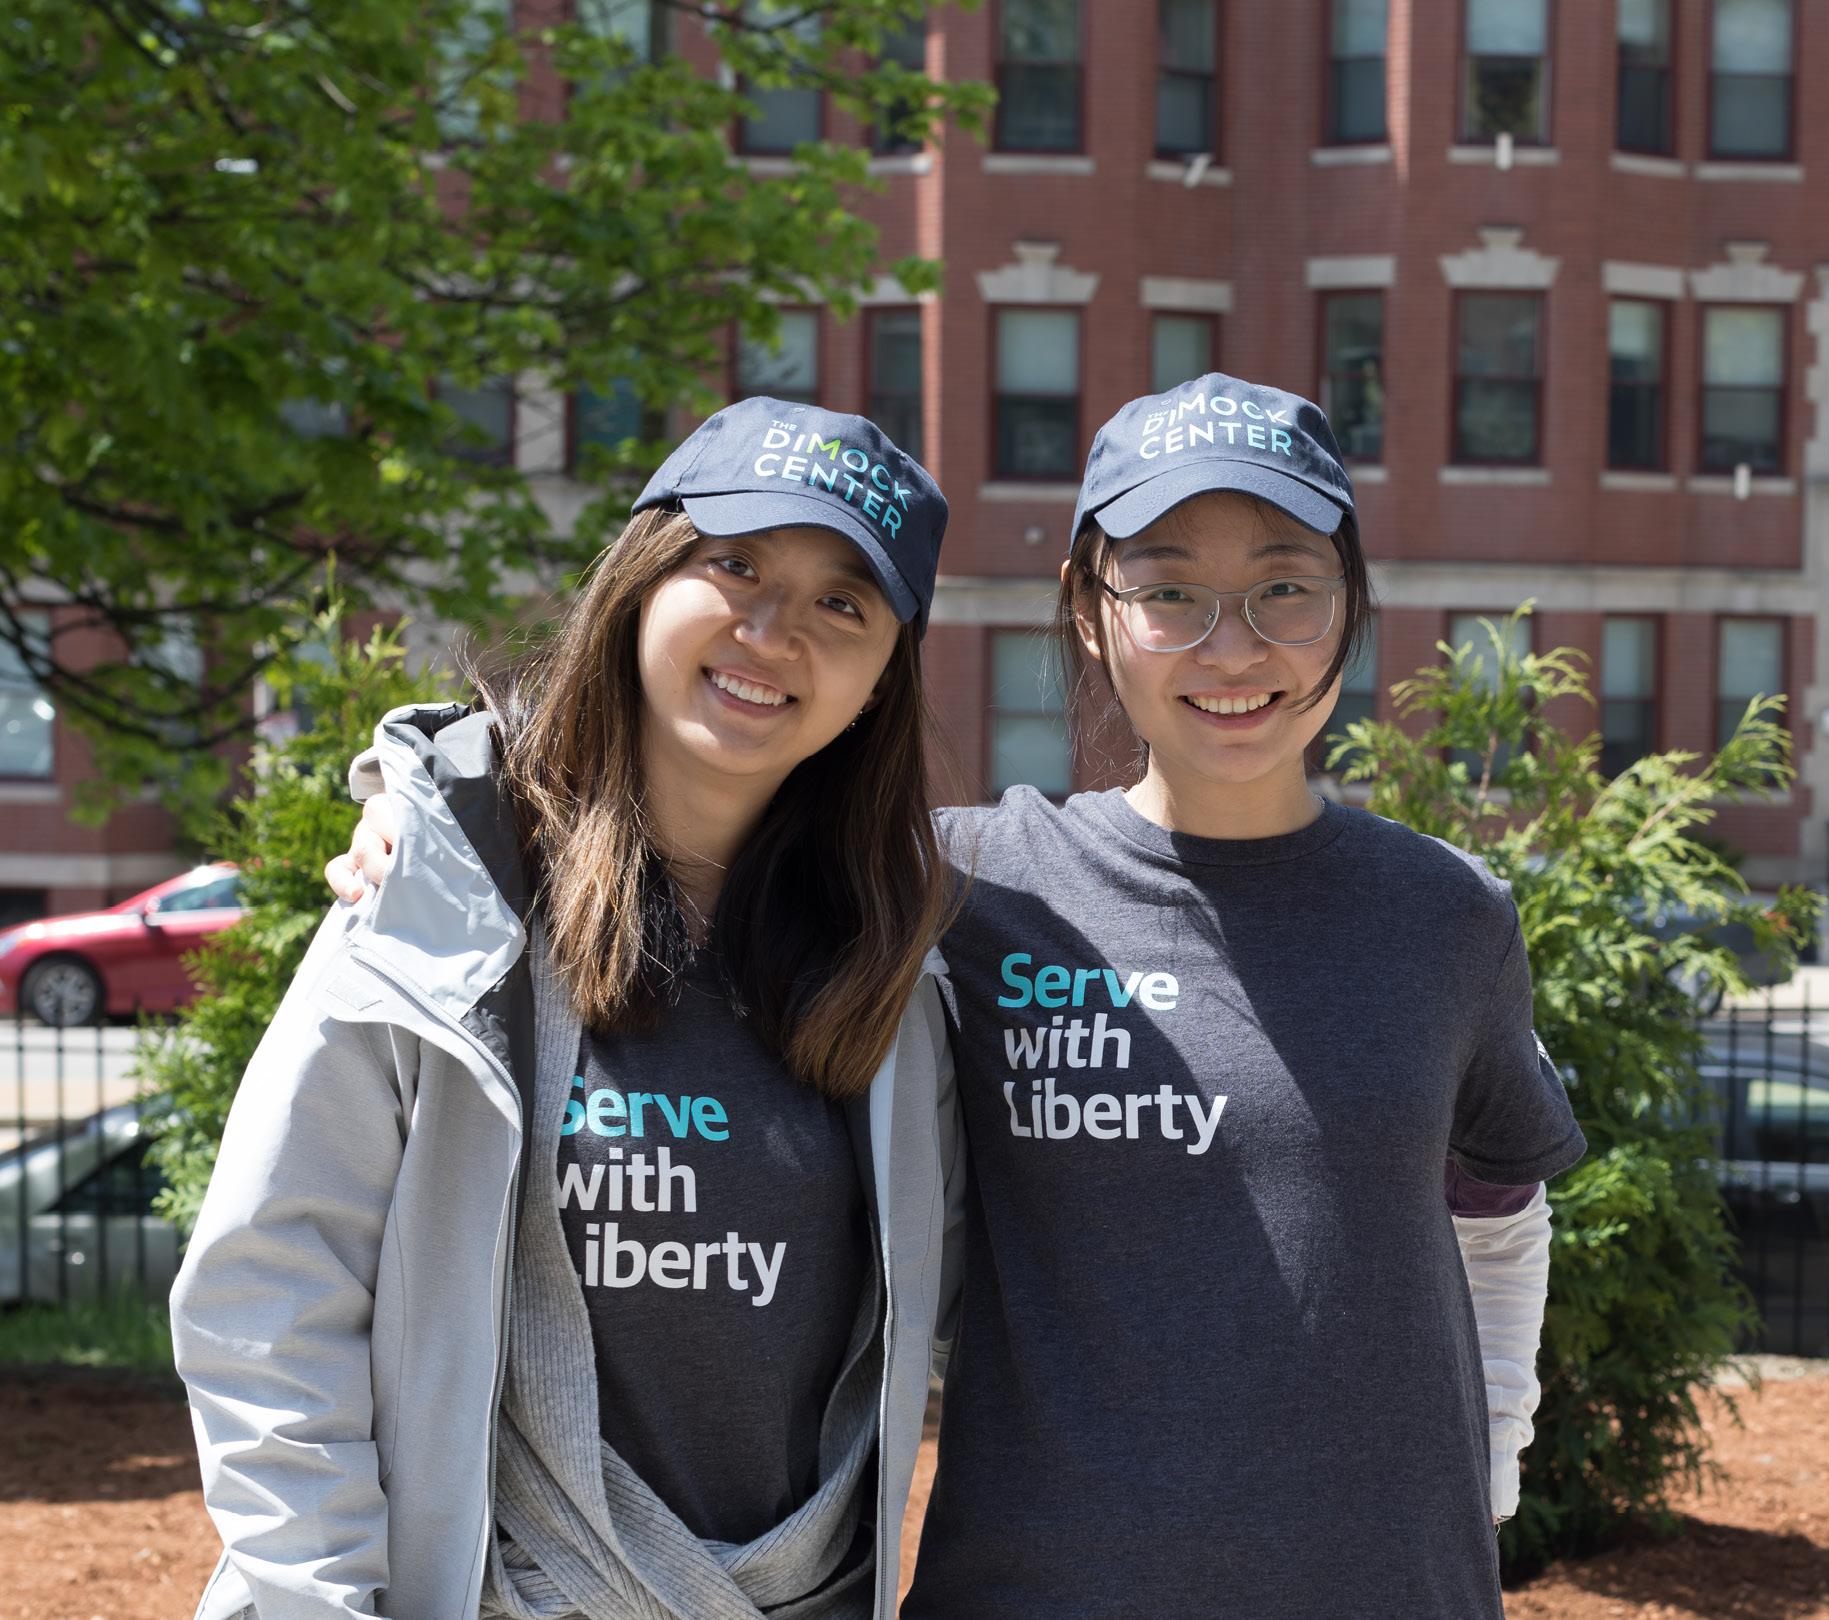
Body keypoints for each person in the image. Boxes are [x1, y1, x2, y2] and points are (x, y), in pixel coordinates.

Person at [330, 375, 1584, 1618]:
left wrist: (1485, 1475)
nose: (1233, 644)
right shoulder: (955, 891)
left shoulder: (1443, 915)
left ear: (1349, 605)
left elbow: (1498, 1204)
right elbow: (678, 810)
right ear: (1091, 616)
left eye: (1285, 588)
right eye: (1168, 593)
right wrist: (428, 800)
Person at [176, 397, 960, 1620]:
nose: (771, 630)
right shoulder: (444, 893)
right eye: (735, 564)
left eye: (841, 603)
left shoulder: (899, 963)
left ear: (882, 680)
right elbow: (273, 1282)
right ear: (643, 579)